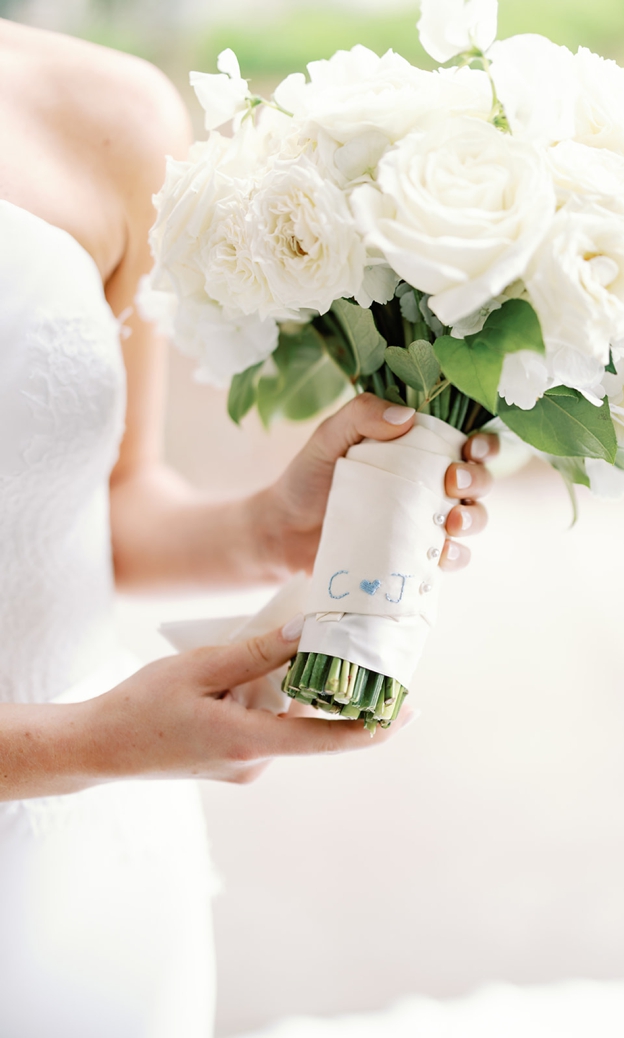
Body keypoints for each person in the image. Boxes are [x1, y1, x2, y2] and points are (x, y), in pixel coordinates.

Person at [0, 23, 498, 1037]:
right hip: (96, 765)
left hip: (94, 876)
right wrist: (92, 741)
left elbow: (111, 505)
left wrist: (275, 527)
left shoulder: (106, 117)